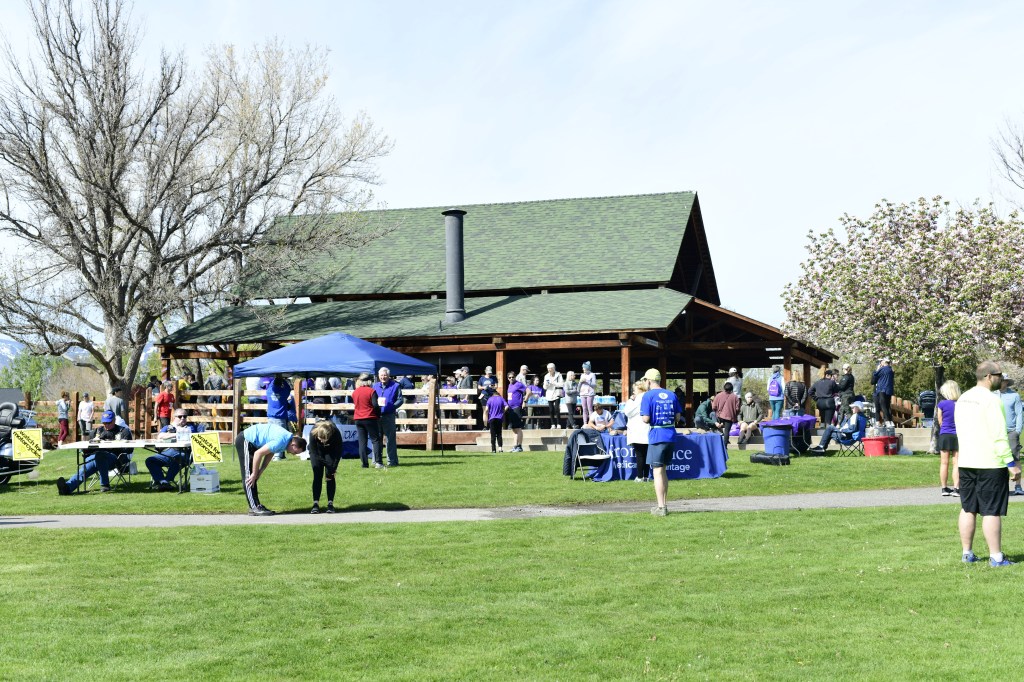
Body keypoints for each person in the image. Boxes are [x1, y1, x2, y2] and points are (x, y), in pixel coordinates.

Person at [955, 360, 1019, 566]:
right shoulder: (992, 400)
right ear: (989, 376)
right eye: (999, 375)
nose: (1001, 379)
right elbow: (999, 435)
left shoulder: (963, 398)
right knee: (991, 510)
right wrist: (1011, 463)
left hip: (967, 461)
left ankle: (967, 553)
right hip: (990, 463)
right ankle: (996, 557)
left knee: (968, 508)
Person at [235, 422, 306, 516]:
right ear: (294, 445)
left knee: (253, 477)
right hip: (245, 439)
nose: (294, 454)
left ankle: (256, 505)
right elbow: (258, 454)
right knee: (249, 477)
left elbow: (271, 452)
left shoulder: (286, 441)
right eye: (296, 452)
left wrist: (261, 470)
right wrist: (255, 473)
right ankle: (254, 508)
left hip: (252, 443)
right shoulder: (282, 440)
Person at [56, 410, 133, 495]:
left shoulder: (123, 431)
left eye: (108, 423)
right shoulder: (98, 431)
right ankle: (66, 488)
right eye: (104, 423)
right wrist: (87, 448)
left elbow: (129, 449)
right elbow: (88, 448)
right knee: (84, 469)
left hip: (114, 459)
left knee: (100, 455)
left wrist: (113, 445)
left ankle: (105, 484)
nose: (106, 425)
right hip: (96, 458)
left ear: (114, 420)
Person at [640, 368, 680, 517]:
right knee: (663, 471)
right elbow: (677, 417)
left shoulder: (648, 395)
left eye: (645, 380)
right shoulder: (672, 394)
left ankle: (661, 507)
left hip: (657, 435)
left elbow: (645, 419)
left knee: (657, 471)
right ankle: (664, 504)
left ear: (649, 381)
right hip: (670, 434)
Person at [147, 409, 206, 491]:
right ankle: (162, 481)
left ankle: (167, 480)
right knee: (150, 460)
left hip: (186, 453)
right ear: (174, 417)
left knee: (179, 457)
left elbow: (201, 436)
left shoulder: (192, 427)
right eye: (180, 416)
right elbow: (160, 436)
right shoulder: (169, 427)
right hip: (169, 451)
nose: (183, 418)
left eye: (185, 416)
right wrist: (177, 434)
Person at [308, 420, 343, 514]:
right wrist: (327, 464)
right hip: (317, 451)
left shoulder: (335, 432)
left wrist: (333, 467)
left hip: (331, 450)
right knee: (317, 474)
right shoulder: (313, 433)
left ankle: (330, 503)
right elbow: (314, 453)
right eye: (320, 439)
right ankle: (315, 504)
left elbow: (338, 451)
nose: (322, 441)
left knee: (330, 476)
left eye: (324, 439)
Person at [351, 372, 384, 468]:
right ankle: (378, 462)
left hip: (358, 418)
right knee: (375, 440)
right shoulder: (371, 391)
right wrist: (378, 415)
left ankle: (364, 464)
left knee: (362, 442)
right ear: (369, 381)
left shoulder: (355, 392)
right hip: (369, 417)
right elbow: (375, 405)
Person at [373, 367, 403, 467]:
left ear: (389, 376)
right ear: (378, 376)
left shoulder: (395, 385)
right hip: (377, 416)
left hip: (389, 416)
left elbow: (400, 400)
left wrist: (392, 406)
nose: (383, 377)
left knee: (390, 440)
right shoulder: (375, 386)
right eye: (381, 375)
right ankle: (377, 461)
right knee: (377, 439)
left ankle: (392, 461)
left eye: (385, 375)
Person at [999, 374, 1024, 496]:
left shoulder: (1014, 395)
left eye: (1003, 380)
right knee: (999, 459)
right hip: (996, 432)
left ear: (1007, 382)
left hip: (1011, 431)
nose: (1001, 382)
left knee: (1015, 458)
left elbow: (1019, 413)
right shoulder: (991, 395)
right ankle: (1002, 487)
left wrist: (1017, 430)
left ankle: (1018, 486)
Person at [936, 380, 961, 497]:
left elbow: (940, 420)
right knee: (956, 462)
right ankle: (956, 488)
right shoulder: (961, 404)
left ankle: (944, 488)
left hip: (945, 434)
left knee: (944, 463)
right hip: (958, 435)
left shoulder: (941, 404)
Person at [623, 379, 651, 482]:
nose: (633, 391)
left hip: (638, 430)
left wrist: (630, 400)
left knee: (639, 455)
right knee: (647, 455)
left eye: (634, 389)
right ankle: (646, 476)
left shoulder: (637, 399)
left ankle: (639, 477)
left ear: (639, 389)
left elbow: (627, 412)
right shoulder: (648, 397)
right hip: (647, 429)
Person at [266, 376, 295, 460]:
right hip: (280, 418)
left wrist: (275, 379)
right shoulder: (283, 393)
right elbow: (288, 388)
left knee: (272, 437)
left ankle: (277, 455)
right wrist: (284, 380)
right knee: (280, 437)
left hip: (270, 418)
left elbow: (270, 386)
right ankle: (278, 455)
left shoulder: (269, 391)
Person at [711, 382, 740, 448]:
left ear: (724, 388)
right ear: (732, 388)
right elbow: (737, 409)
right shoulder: (735, 397)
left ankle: (716, 444)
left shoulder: (718, 395)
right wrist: (734, 415)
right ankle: (725, 446)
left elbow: (714, 407)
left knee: (718, 428)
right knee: (727, 431)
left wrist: (717, 412)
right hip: (729, 417)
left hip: (719, 416)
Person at [484, 384, 509, 453]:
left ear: (493, 394)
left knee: (493, 434)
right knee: (499, 434)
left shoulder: (490, 399)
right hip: (499, 418)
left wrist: (486, 415)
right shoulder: (501, 398)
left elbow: (486, 409)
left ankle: (493, 449)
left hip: (492, 418)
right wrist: (502, 412)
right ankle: (500, 448)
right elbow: (507, 406)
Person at [505, 373, 526, 451]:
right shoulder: (509, 385)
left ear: (515, 377)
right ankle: (515, 446)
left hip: (517, 407)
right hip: (510, 408)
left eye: (512, 377)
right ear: (507, 378)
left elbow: (528, 391)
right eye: (509, 377)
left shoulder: (519, 384)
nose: (511, 378)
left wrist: (524, 401)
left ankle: (519, 446)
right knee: (513, 428)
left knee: (518, 428)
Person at [872, 358, 895, 426]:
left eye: (881, 361)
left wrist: (877, 369)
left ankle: (887, 421)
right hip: (889, 390)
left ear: (884, 362)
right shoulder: (891, 370)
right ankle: (890, 421)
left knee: (883, 405)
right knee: (887, 405)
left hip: (882, 389)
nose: (880, 363)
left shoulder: (882, 369)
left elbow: (875, 376)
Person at [542, 363, 564, 429]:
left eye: (551, 368)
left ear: (554, 368)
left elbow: (562, 384)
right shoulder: (546, 376)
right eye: (548, 369)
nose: (549, 370)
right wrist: (546, 384)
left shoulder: (559, 375)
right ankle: (553, 424)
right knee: (551, 410)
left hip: (557, 393)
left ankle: (559, 423)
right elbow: (544, 387)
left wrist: (554, 383)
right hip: (549, 393)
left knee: (557, 409)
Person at [579, 361, 597, 426]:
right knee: (584, 409)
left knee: (590, 408)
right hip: (582, 393)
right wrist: (580, 382)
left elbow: (594, 385)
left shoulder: (592, 374)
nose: (583, 369)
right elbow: (579, 385)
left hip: (590, 393)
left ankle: (591, 423)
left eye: (584, 367)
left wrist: (586, 380)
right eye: (582, 367)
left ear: (587, 368)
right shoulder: (582, 375)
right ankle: (585, 423)